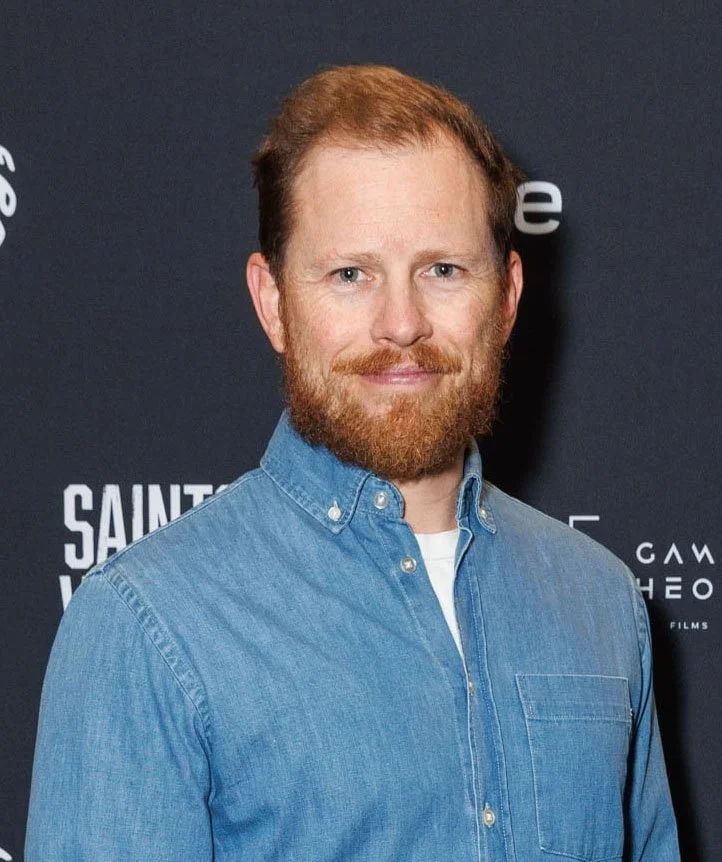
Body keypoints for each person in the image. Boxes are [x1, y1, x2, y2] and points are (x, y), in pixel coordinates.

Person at [26, 65, 679, 861]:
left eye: (443, 270)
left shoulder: (600, 600)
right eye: (350, 275)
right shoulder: (148, 627)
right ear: (273, 302)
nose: (401, 323)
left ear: (506, 298)